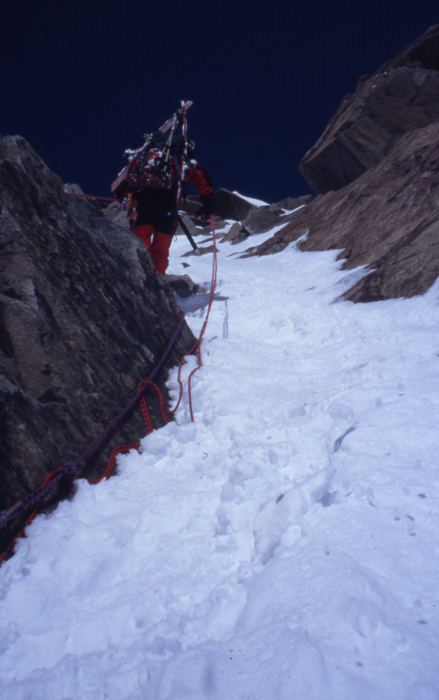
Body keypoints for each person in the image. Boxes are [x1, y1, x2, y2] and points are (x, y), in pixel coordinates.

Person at [114, 132, 214, 274]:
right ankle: (157, 282)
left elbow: (122, 183)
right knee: (160, 249)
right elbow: (199, 174)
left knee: (140, 244)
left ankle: (140, 280)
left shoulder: (143, 155)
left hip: (142, 201)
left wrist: (126, 199)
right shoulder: (177, 156)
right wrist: (207, 200)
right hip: (167, 204)